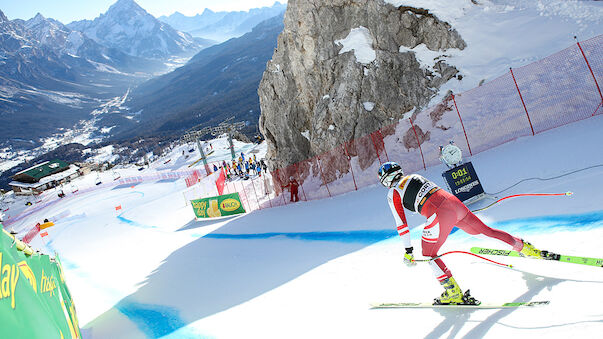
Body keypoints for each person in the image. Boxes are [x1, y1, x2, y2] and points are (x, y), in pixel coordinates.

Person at [378, 161, 542, 305]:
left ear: (386, 179)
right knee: (487, 231)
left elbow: (402, 225)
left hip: (439, 212)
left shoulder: (392, 193)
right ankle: (524, 247)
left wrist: (408, 252)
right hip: (453, 204)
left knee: (429, 254)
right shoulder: (414, 176)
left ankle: (453, 293)